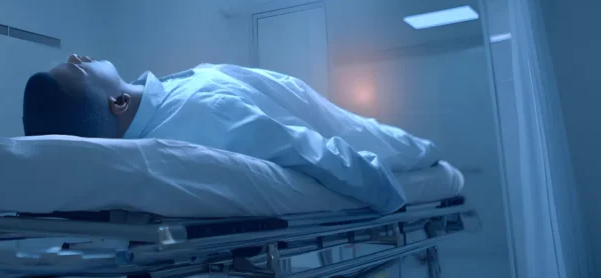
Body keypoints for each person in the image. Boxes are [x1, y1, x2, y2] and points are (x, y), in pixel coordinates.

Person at [22, 55, 440, 214]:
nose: (77, 55)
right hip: (324, 120)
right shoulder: (201, 116)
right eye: (77, 69)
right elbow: (307, 150)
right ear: (117, 104)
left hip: (301, 100)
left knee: (385, 136)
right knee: (400, 146)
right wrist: (390, 196)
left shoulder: (164, 102)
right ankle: (434, 158)